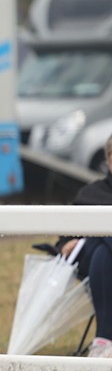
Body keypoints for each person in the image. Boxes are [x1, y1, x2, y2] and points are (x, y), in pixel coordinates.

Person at [57, 135, 112, 358]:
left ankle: (104, 339)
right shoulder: (91, 193)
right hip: (90, 263)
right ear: (108, 159)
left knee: (102, 246)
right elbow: (64, 238)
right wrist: (66, 244)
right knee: (101, 244)